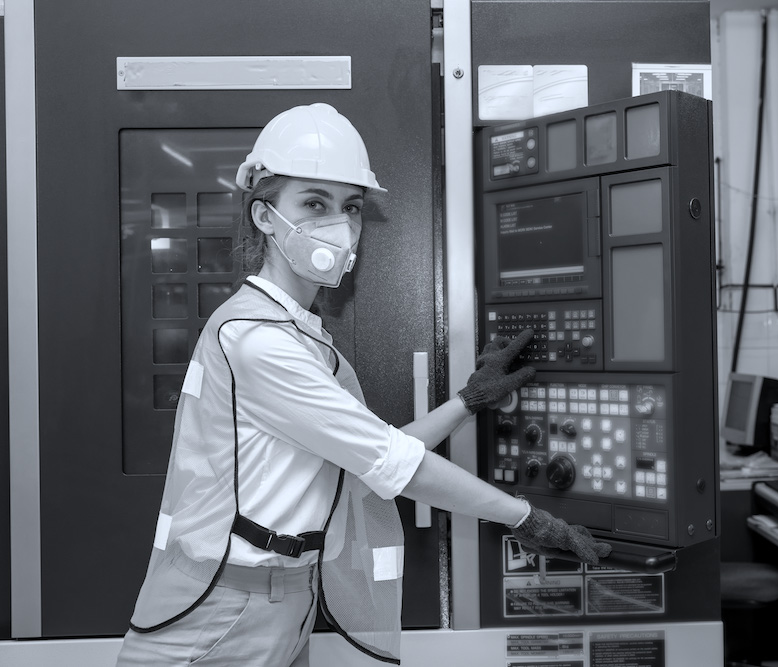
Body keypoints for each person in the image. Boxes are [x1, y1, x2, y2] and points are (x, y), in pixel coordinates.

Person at [116, 103, 610, 667]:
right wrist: (528, 518)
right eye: (313, 203)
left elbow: (367, 451)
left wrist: (467, 402)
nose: (339, 225)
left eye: (350, 206)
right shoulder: (258, 340)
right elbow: (392, 463)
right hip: (228, 609)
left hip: (282, 599)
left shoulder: (295, 331)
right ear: (263, 216)